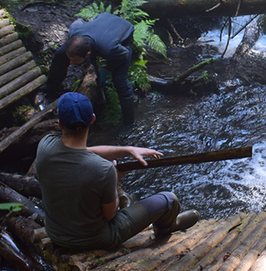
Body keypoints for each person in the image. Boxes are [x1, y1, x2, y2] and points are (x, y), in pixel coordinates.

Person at [34, 92, 199, 251]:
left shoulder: (45, 146)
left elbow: (82, 152)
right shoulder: (103, 170)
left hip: (55, 233)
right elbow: (110, 215)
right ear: (92, 119)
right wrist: (115, 180)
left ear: (60, 124)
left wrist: (127, 150)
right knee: (169, 199)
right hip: (96, 239)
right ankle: (168, 227)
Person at [44, 12, 137, 127]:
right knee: (60, 54)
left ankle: (129, 123)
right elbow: (78, 21)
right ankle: (51, 88)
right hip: (102, 21)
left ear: (88, 54)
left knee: (120, 80)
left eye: (76, 61)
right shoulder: (74, 32)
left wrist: (107, 69)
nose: (71, 64)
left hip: (124, 32)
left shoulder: (109, 49)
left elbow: (125, 55)